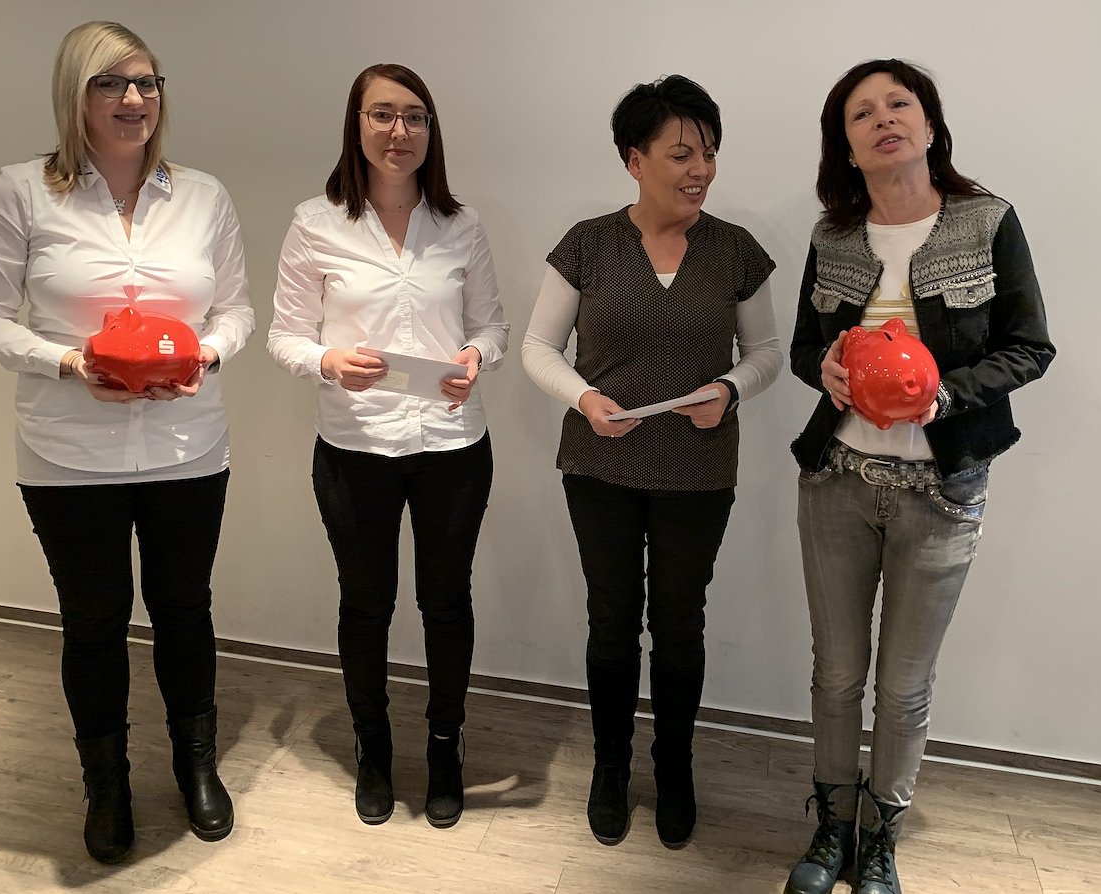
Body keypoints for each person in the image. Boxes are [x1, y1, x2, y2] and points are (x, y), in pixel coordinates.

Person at [0, 21, 254, 863]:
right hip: (66, 453)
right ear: (74, 95)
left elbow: (237, 309)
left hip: (189, 446)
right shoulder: (19, 192)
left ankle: (196, 766)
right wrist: (65, 361)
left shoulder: (204, 196)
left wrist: (206, 354)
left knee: (184, 610)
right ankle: (107, 785)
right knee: (93, 622)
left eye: (147, 83)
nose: (133, 99)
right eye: (111, 84)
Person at [783, 59, 1055, 894]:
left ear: (930, 125)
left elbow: (1029, 347)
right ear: (847, 146)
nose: (884, 119)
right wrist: (825, 370)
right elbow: (803, 349)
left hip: (943, 492)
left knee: (903, 688)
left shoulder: (987, 221)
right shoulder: (833, 235)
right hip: (836, 480)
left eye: (899, 103)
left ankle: (882, 838)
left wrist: (945, 396)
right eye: (862, 113)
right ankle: (832, 827)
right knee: (837, 675)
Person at [522, 75, 782, 849]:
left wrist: (729, 390)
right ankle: (610, 766)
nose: (700, 170)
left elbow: (766, 352)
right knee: (610, 620)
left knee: (679, 622)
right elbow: (538, 348)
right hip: (598, 468)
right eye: (681, 154)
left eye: (709, 153)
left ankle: (674, 767)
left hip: (698, 471)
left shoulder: (735, 251)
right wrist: (584, 399)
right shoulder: (587, 244)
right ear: (634, 160)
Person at [268, 63, 508, 830]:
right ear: (356, 125)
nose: (399, 131)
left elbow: (491, 326)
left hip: (451, 444)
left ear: (431, 130)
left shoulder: (460, 224)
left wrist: (477, 357)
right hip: (355, 445)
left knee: (446, 602)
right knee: (366, 604)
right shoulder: (315, 222)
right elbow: (284, 335)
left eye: (414, 116)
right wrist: (327, 360)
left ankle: (444, 747)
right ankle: (372, 747)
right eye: (382, 115)